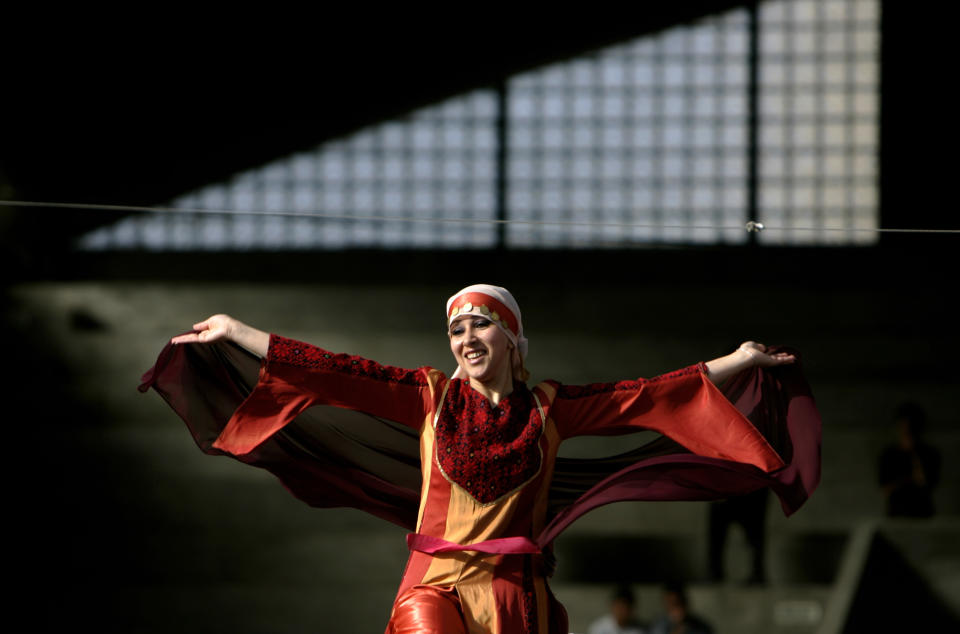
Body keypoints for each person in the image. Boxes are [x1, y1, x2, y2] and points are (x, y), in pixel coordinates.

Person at [141, 283, 820, 634]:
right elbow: (333, 371)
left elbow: (646, 397)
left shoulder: (553, 409)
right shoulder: (429, 396)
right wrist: (237, 332)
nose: (463, 338)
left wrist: (738, 361)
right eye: (455, 329)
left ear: (513, 341)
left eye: (478, 324)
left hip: (512, 594)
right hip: (433, 584)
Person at [878, 402, 941, 517]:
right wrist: (907, 480)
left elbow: (928, 483)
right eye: (903, 425)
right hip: (897, 512)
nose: (907, 429)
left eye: (911, 425)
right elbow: (885, 488)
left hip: (922, 512)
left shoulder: (928, 454)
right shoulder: (889, 455)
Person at [648, 583, 713, 634]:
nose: (676, 608)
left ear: (685, 603)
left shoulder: (701, 628)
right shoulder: (658, 627)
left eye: (678, 602)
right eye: (670, 603)